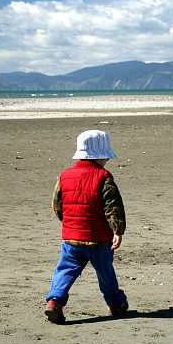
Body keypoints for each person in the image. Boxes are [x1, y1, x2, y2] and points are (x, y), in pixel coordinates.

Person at [44, 130, 128, 323]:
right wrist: (117, 231)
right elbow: (113, 207)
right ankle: (116, 303)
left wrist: (69, 222)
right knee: (105, 273)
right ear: (101, 156)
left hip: (71, 238)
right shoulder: (104, 177)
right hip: (99, 239)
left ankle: (55, 302)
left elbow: (57, 205)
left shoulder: (65, 176)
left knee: (65, 270)